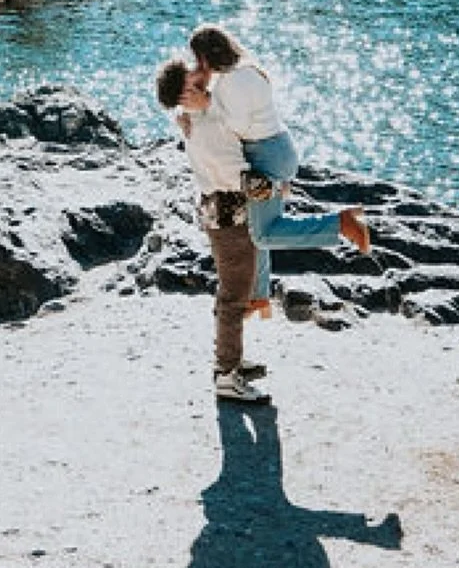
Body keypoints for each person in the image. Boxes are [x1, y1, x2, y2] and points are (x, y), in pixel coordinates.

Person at [187, 24, 371, 311]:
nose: (197, 66)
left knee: (263, 233)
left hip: (264, 156)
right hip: (277, 148)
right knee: (254, 225)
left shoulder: (231, 82)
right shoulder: (247, 70)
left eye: (198, 59)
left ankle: (341, 223)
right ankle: (258, 295)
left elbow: (237, 125)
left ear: (206, 57)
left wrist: (207, 102)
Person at [155, 58, 271, 407]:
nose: (199, 70)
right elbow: (234, 174)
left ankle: (229, 359)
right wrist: (273, 185)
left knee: (234, 290)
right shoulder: (203, 126)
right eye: (192, 72)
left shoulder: (200, 118)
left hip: (220, 213)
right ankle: (226, 375)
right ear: (185, 90)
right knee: (235, 295)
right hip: (228, 215)